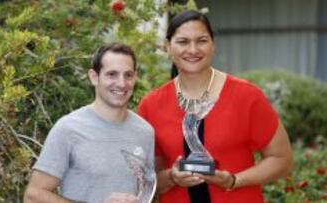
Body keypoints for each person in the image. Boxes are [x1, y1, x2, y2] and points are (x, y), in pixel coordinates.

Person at [137, 10, 293, 203]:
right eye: (183, 42)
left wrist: (234, 181)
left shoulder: (246, 96)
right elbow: (145, 179)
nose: (193, 50)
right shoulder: (151, 105)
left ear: (213, 45)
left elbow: (281, 159)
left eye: (201, 40)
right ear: (168, 47)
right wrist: (171, 177)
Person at [24, 43, 155, 203]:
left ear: (135, 77)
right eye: (112, 74)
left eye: (128, 75)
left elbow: (147, 190)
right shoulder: (68, 128)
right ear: (94, 77)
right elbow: (34, 195)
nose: (121, 83)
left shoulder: (145, 132)